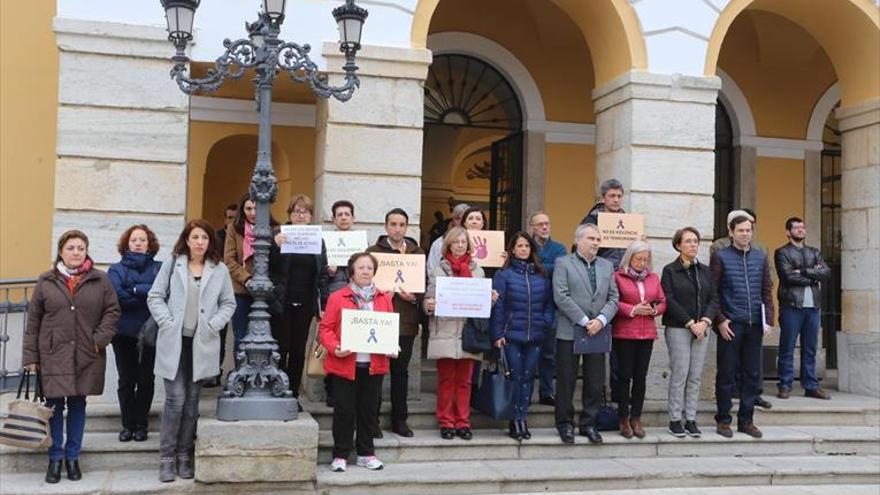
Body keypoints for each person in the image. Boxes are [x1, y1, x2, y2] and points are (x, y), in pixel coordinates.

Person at [23, 230, 120, 484]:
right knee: (54, 407)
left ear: (86, 251)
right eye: (71, 248)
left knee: (78, 405)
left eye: (80, 248)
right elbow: (33, 321)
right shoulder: (46, 280)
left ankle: (72, 457)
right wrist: (30, 356)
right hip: (53, 354)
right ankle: (55, 458)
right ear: (61, 251)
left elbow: (112, 311)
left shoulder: (100, 280)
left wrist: (97, 340)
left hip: (87, 354)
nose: (76, 252)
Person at [148, 219, 236, 482]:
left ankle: (185, 455)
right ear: (187, 239)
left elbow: (228, 303)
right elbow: (155, 296)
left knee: (192, 404)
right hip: (174, 342)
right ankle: (166, 458)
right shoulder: (173, 264)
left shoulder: (218, 269)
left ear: (210, 242)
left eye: (204, 238)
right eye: (195, 237)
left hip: (202, 343)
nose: (200, 242)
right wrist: (167, 321)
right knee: (175, 400)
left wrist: (214, 324)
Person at [321, 252, 395, 472]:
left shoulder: (384, 298)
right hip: (345, 365)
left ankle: (366, 453)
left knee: (368, 411)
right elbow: (325, 329)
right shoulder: (337, 297)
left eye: (369, 268)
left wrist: (392, 346)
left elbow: (389, 328)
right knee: (344, 411)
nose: (365, 271)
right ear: (352, 272)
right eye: (361, 268)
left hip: (374, 366)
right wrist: (336, 347)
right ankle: (340, 455)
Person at [423, 227, 496, 440]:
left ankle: (463, 422)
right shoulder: (438, 270)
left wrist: (489, 299)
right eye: (456, 242)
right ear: (449, 245)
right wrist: (429, 304)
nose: (460, 245)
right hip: (445, 330)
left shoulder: (478, 270)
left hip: (468, 332)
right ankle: (446, 421)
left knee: (465, 381)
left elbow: (481, 306)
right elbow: (429, 298)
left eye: (464, 242)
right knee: (446, 380)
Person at [552, 224, 619, 445]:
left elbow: (613, 298)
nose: (596, 242)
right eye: (591, 238)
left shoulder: (607, 266)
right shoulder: (563, 263)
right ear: (578, 240)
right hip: (570, 330)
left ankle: (589, 423)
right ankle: (565, 424)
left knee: (594, 381)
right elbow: (561, 296)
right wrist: (583, 320)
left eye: (598, 239)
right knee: (566, 380)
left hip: (597, 331)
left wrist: (600, 320)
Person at [711, 214, 774, 439]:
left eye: (748, 230)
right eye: (741, 230)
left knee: (751, 373)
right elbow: (713, 292)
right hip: (731, 324)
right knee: (726, 374)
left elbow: (767, 290)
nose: (745, 234)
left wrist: (769, 319)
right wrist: (719, 320)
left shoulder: (760, 257)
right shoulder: (721, 257)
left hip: (754, 324)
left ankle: (746, 420)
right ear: (731, 232)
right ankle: (723, 420)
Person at [365, 208, 425, 438]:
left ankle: (400, 420)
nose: (397, 229)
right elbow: (363, 281)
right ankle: (372, 421)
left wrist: (415, 297)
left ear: (407, 227)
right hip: (380, 321)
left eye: (401, 225)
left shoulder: (417, 253)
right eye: (393, 224)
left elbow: (424, 284)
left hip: (406, 322)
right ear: (386, 226)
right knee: (377, 372)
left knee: (401, 373)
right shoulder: (373, 252)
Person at [491, 232, 554, 440]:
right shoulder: (504, 274)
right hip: (511, 336)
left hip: (535, 334)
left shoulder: (541, 274)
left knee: (528, 377)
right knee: (516, 377)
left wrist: (545, 322)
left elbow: (548, 304)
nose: (524, 249)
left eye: (527, 245)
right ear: (512, 249)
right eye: (520, 246)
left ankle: (523, 417)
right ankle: (514, 419)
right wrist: (498, 333)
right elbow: (498, 306)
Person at [661, 227, 719, 438]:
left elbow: (714, 298)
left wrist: (705, 321)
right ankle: (675, 419)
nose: (693, 245)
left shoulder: (705, 271)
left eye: (696, 241)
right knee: (680, 375)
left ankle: (691, 419)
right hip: (679, 328)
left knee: (695, 376)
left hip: (702, 329)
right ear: (678, 245)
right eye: (688, 241)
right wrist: (689, 322)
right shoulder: (670, 270)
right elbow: (669, 300)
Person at [108, 224, 162, 443]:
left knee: (146, 379)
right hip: (123, 334)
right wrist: (145, 292)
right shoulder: (116, 269)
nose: (138, 243)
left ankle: (141, 425)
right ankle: (127, 425)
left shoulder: (159, 268)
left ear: (149, 244)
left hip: (150, 332)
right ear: (126, 244)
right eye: (134, 240)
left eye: (142, 240)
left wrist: (135, 289)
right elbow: (118, 296)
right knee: (126, 380)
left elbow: (161, 292)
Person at [272, 194, 328, 404]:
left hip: (306, 303)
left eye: (305, 212)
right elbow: (268, 267)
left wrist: (323, 304)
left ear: (311, 216)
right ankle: (277, 391)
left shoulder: (318, 240)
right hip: (282, 301)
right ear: (290, 214)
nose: (301, 215)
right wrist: (275, 246)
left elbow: (321, 274)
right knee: (281, 348)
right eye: (296, 211)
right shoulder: (278, 234)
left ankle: (292, 395)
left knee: (298, 351)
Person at [611, 241, 666, 439]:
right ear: (630, 258)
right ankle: (623, 418)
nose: (642, 263)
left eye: (645, 259)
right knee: (625, 376)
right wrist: (632, 309)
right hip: (625, 332)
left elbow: (662, 300)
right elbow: (613, 301)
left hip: (647, 333)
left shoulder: (653, 278)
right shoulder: (618, 277)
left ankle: (636, 417)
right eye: (638, 259)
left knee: (641, 377)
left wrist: (654, 310)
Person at [774, 217, 831, 400]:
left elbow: (826, 272)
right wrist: (814, 276)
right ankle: (785, 385)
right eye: (796, 227)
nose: (800, 230)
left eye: (802, 227)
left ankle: (811, 386)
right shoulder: (782, 252)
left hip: (813, 307)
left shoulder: (814, 252)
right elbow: (788, 277)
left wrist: (804, 272)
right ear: (788, 232)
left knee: (810, 348)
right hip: (791, 306)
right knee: (787, 347)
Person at [319, 199, 357, 407]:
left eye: (347, 214)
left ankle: (348, 389)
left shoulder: (362, 245)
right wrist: (327, 270)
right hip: (333, 302)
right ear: (333, 219)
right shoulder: (325, 243)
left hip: (354, 302)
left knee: (350, 347)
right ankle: (331, 390)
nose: (343, 217)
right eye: (339, 214)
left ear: (353, 218)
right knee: (333, 346)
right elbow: (318, 278)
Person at [528, 211, 567, 406]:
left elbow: (561, 268)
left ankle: (546, 391)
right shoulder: (526, 245)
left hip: (551, 305)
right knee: (527, 350)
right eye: (540, 224)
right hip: (528, 304)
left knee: (549, 352)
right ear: (532, 227)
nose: (545, 227)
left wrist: (535, 265)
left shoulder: (559, 248)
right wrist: (546, 267)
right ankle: (525, 392)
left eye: (547, 223)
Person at [579, 178, 627, 269]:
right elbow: (578, 249)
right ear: (603, 198)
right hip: (600, 272)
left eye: (619, 196)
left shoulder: (629, 221)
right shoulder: (591, 221)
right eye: (612, 196)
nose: (616, 200)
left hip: (624, 274)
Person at [427, 203, 469, 274]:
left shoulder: (480, 244)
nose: (461, 222)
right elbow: (431, 271)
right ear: (452, 220)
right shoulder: (439, 243)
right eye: (458, 218)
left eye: (465, 218)